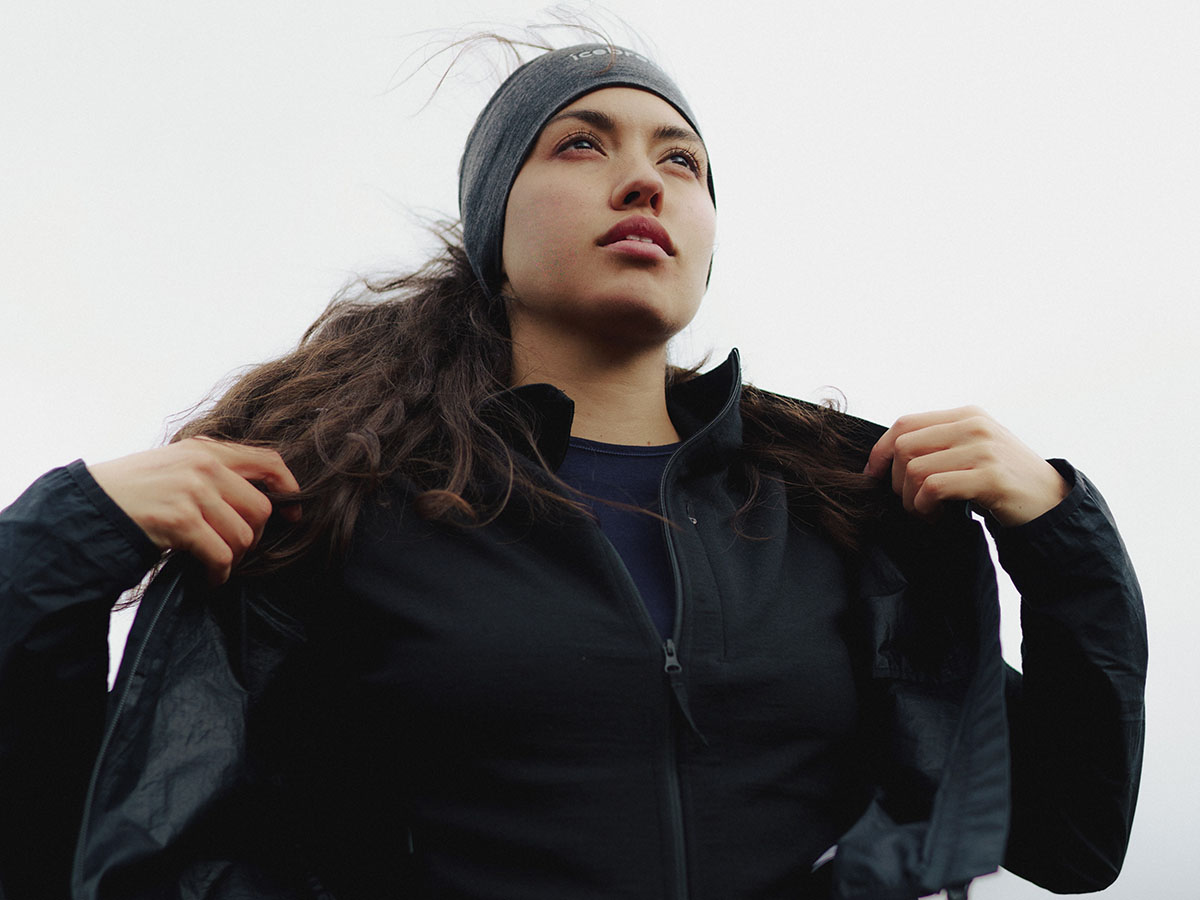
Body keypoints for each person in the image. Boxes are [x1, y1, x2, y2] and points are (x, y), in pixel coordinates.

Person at [0, 41, 1145, 900]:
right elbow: (79, 840)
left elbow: (1072, 837)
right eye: (582, 144)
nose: (645, 183)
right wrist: (60, 542)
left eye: (682, 162)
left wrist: (1058, 534)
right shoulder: (329, 511)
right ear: (494, 219)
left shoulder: (838, 519)